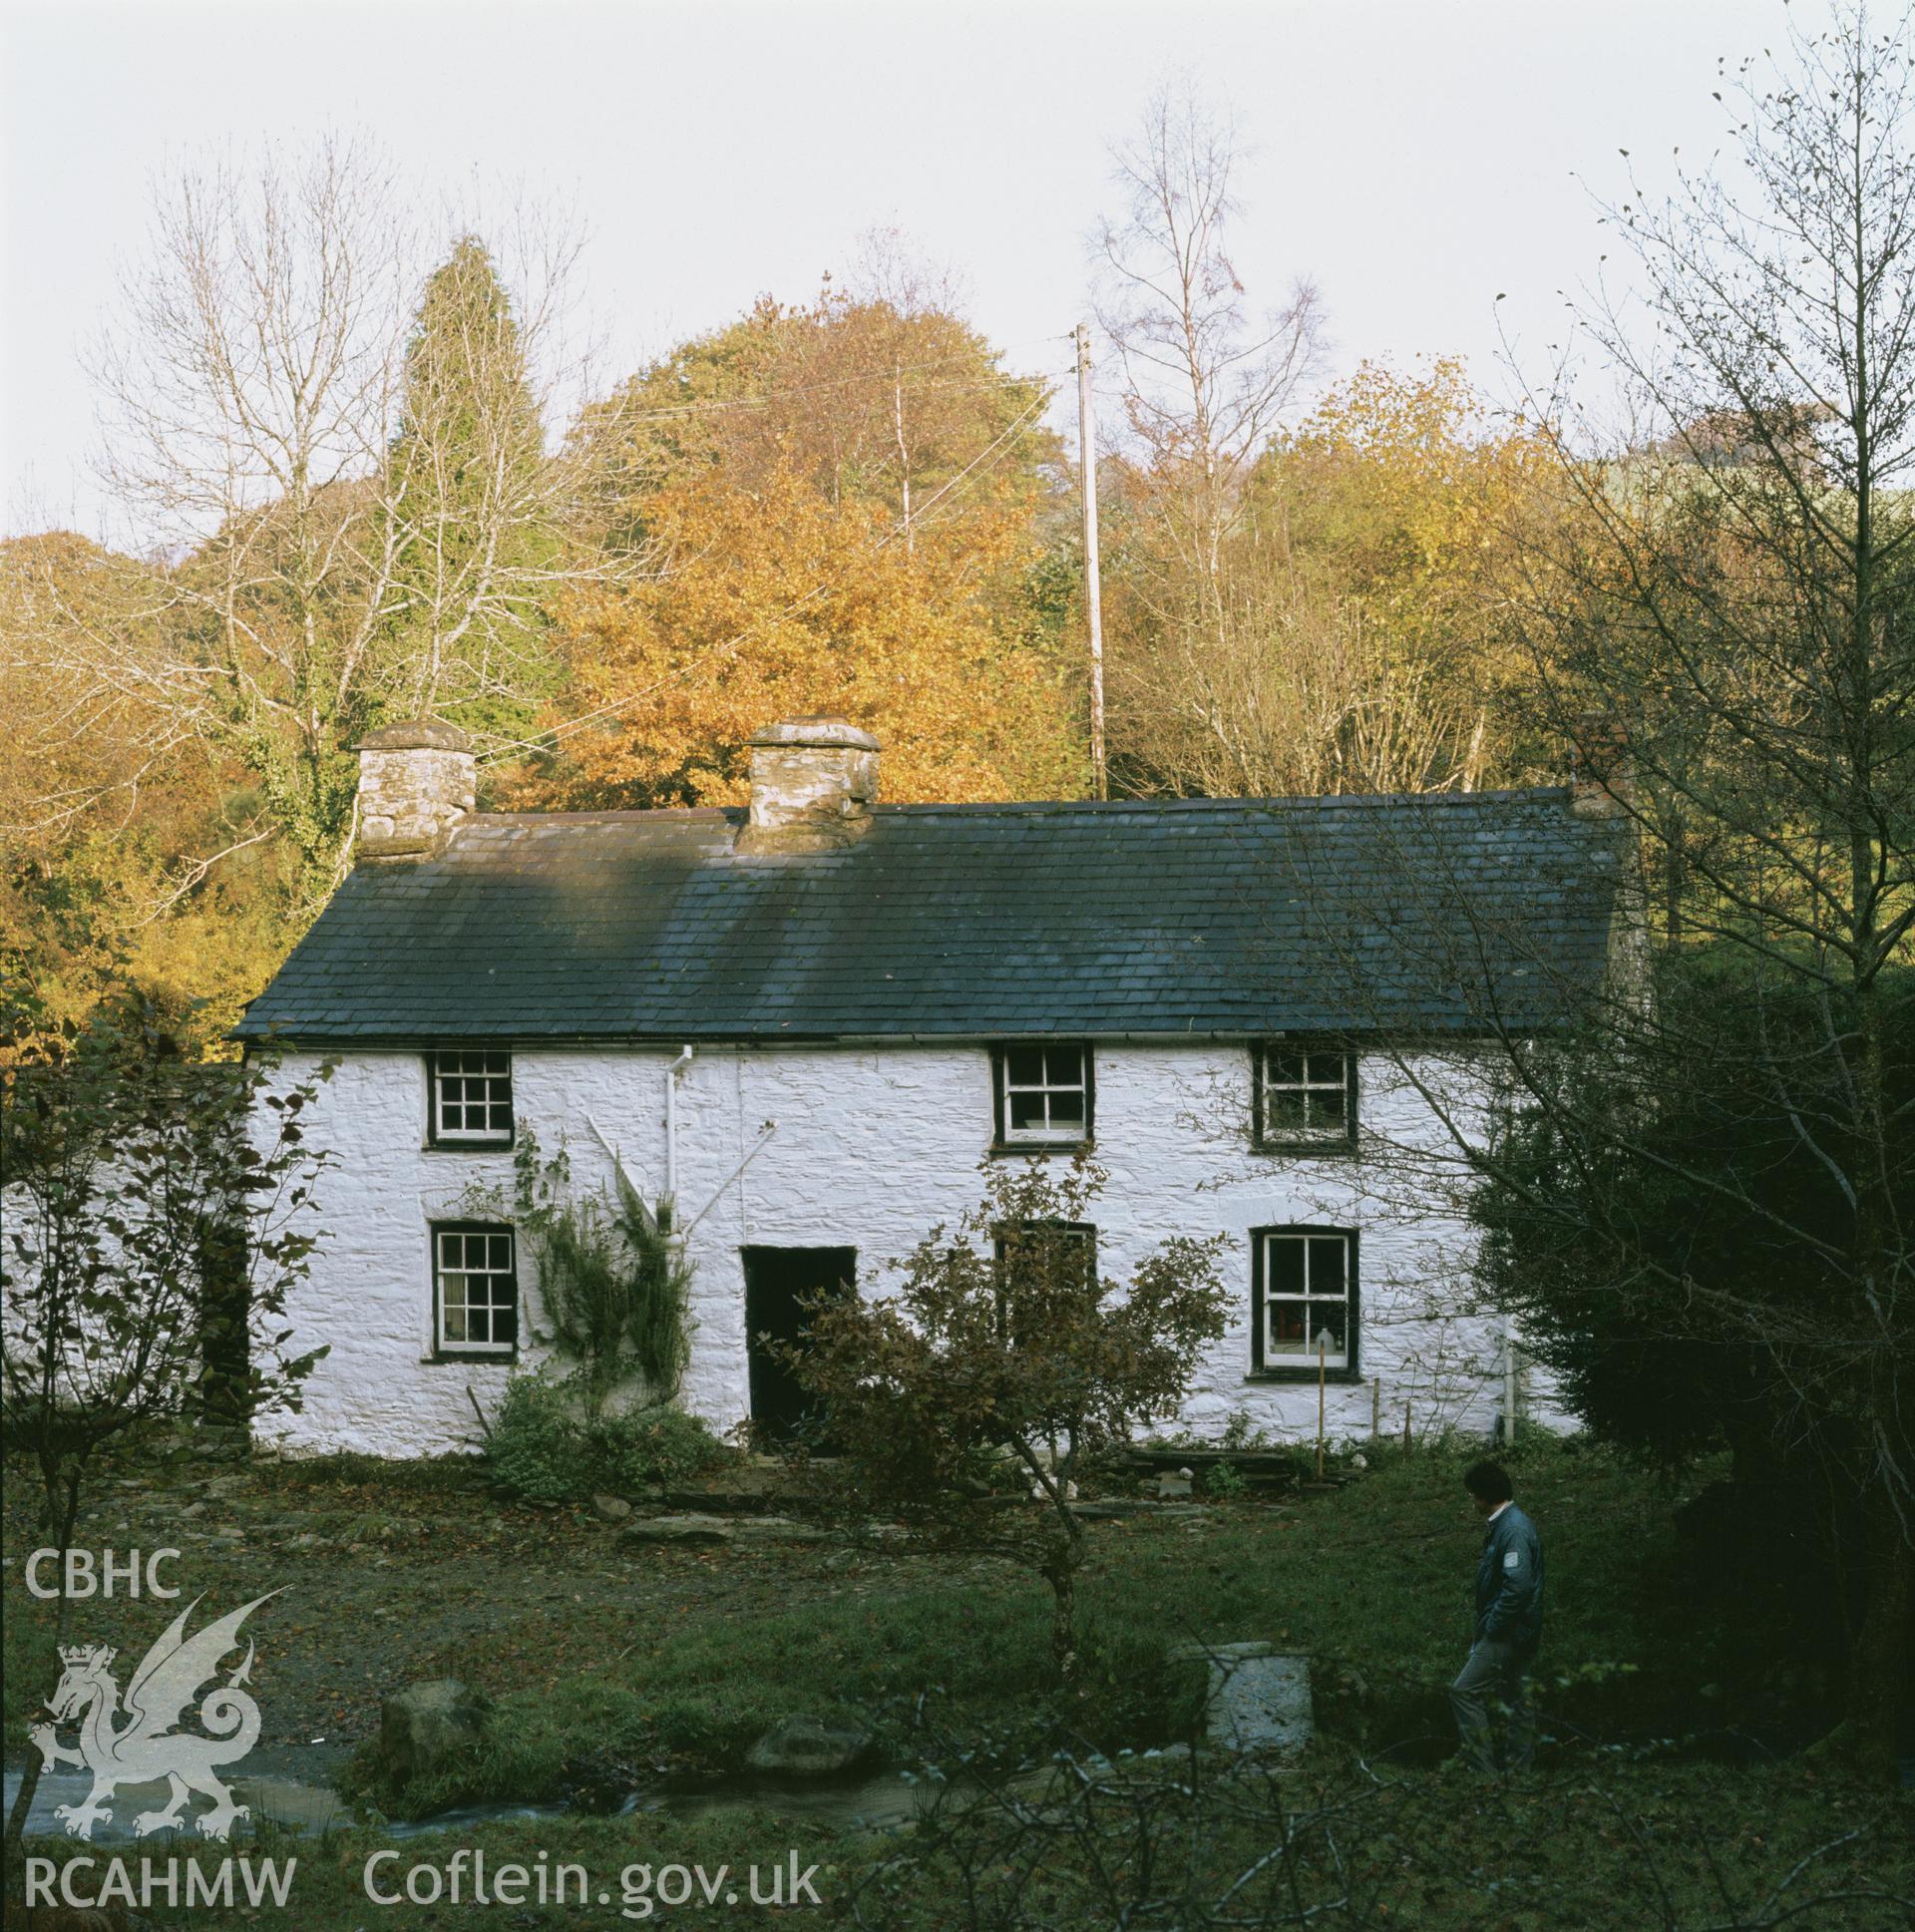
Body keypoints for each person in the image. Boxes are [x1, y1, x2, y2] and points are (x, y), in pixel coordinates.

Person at [1449, 1459, 1543, 1773]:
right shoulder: (1507, 1524)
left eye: (1472, 1494)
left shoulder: (1512, 1529)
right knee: (1519, 1700)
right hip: (1521, 1629)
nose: (1471, 1500)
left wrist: (1492, 1627)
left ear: (1483, 1496)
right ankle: (1520, 1772)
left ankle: (1482, 1771)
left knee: (1464, 1691)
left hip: (1509, 1631)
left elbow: (1517, 1586)